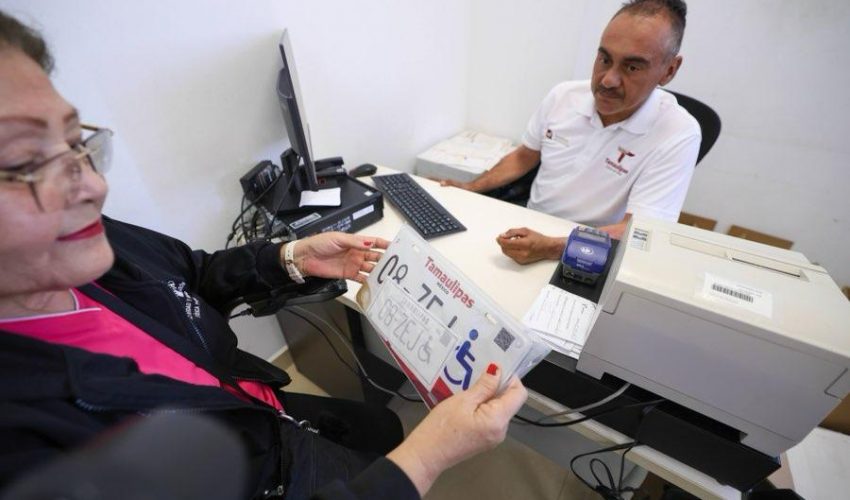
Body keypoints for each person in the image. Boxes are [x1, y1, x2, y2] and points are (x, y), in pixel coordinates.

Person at [0, 11, 527, 500]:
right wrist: (426, 459)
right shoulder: (26, 453)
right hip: (262, 476)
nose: (93, 186)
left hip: (258, 412)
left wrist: (290, 258)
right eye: (25, 163)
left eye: (76, 143)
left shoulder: (91, 250)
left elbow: (194, 274)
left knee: (384, 426)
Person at [440, 0, 700, 264]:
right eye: (604, 59)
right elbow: (523, 157)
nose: (608, 80)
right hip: (526, 226)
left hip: (591, 250)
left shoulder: (678, 133)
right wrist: (469, 188)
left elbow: (638, 233)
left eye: (632, 67)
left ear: (669, 70)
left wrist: (551, 247)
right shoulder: (564, 96)